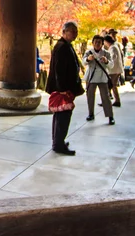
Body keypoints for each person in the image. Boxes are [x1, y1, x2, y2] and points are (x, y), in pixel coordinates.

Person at [46, 21, 84, 156]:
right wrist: (62, 89)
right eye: (72, 31)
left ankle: (58, 140)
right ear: (64, 32)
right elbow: (59, 70)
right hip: (63, 89)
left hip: (64, 87)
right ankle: (58, 143)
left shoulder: (66, 45)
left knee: (60, 115)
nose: (75, 33)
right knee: (63, 115)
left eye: (76, 31)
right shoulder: (62, 47)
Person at [83, 35, 115, 125]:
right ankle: (91, 114)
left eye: (99, 42)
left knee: (106, 97)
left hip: (102, 77)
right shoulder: (88, 52)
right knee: (90, 97)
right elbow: (83, 62)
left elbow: (111, 65)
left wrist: (106, 61)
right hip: (91, 77)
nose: (97, 44)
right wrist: (88, 59)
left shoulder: (106, 53)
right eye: (95, 42)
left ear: (102, 43)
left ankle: (110, 116)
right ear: (92, 43)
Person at [104, 35, 123, 108]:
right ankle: (114, 100)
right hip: (115, 69)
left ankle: (110, 100)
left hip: (114, 70)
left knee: (111, 85)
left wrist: (106, 62)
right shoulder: (114, 47)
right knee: (112, 85)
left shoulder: (113, 48)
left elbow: (112, 58)